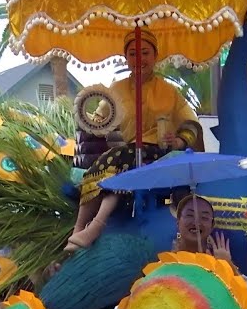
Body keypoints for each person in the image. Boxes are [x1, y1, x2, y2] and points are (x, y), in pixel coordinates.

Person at [66, 30, 203, 252]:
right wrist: (88, 119)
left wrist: (178, 141)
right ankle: (79, 228)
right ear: (126, 58)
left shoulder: (170, 92)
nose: (139, 59)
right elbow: (99, 121)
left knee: (121, 157)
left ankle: (96, 225)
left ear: (155, 56)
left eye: (145, 53)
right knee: (116, 159)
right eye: (132, 54)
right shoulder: (116, 89)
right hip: (127, 152)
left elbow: (191, 124)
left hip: (161, 154)